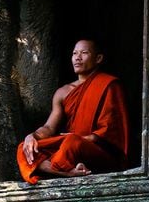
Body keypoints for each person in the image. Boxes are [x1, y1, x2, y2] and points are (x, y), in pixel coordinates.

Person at [17, 39, 129, 184]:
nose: (78, 57)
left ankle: (58, 168)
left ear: (98, 58)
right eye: (74, 53)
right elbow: (50, 128)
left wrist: (85, 139)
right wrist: (31, 136)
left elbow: (113, 130)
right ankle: (69, 172)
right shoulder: (62, 92)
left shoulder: (109, 85)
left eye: (84, 53)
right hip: (70, 148)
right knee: (24, 148)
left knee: (72, 142)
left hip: (95, 150)